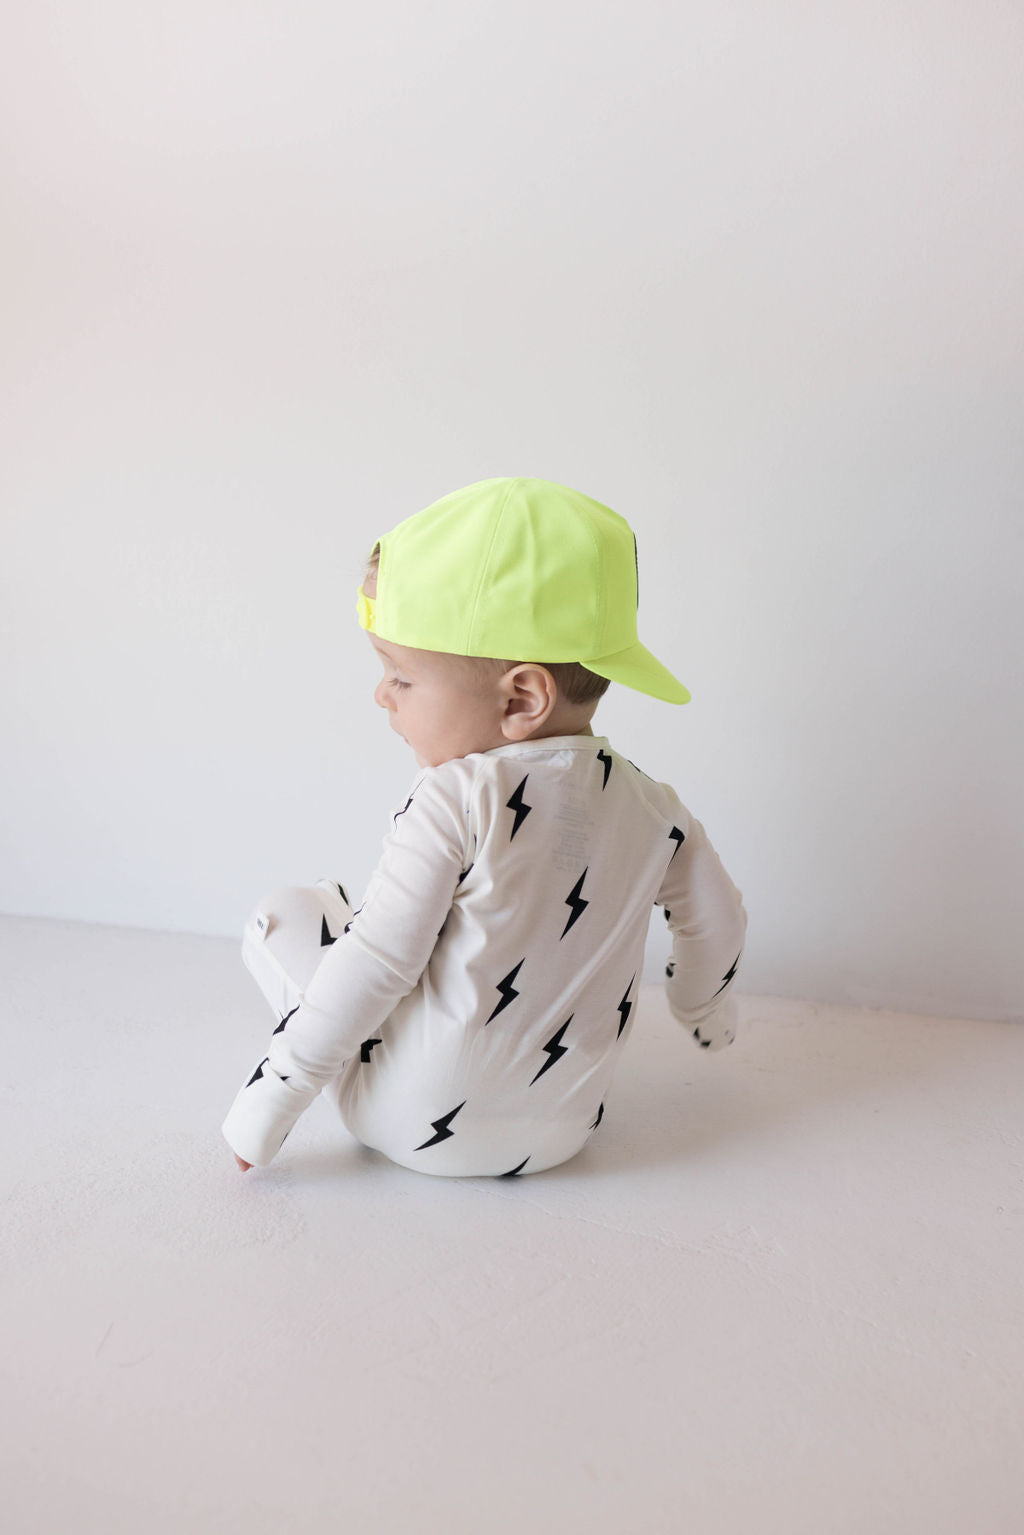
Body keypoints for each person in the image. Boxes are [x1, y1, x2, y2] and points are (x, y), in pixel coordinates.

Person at [222, 477, 747, 1177]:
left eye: (401, 676)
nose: (382, 694)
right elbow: (720, 920)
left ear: (522, 698)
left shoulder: (459, 795)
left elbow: (380, 960)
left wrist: (272, 1097)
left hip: (406, 1119)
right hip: (563, 1129)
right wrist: (702, 1010)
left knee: (287, 914)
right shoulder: (657, 812)